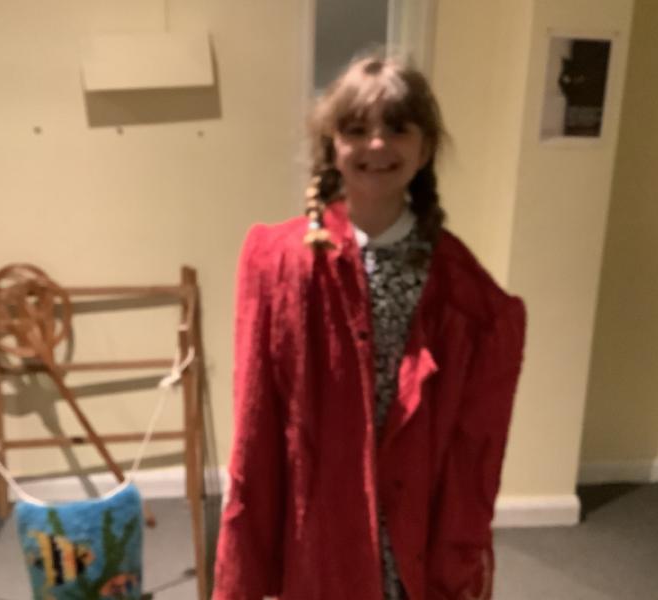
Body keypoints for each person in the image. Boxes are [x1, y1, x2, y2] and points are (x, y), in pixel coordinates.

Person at [213, 53, 526, 600]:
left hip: (410, 520)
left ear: (424, 148)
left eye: (397, 129)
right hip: (319, 517)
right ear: (331, 146)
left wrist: (457, 555)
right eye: (357, 130)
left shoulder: (465, 291)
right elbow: (256, 428)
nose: (377, 145)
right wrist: (246, 566)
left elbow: (475, 447)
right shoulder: (279, 262)